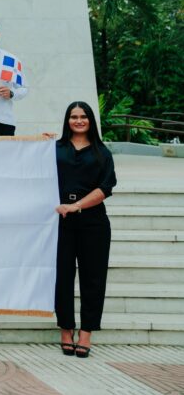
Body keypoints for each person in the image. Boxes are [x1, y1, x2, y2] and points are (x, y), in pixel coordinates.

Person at [52, 101, 116, 359]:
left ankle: (86, 333)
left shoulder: (103, 153)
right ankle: (66, 329)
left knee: (93, 279)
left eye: (83, 117)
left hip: (93, 222)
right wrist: (40, 143)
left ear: (91, 120)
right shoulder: (55, 149)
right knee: (62, 277)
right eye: (73, 117)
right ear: (67, 121)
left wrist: (76, 205)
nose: (78, 121)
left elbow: (105, 189)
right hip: (61, 223)